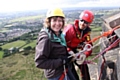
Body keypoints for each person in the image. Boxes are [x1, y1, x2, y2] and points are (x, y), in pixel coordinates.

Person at [35, 8, 77, 80]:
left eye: (60, 20)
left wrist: (68, 54)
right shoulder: (46, 39)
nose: (57, 23)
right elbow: (39, 62)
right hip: (56, 75)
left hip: (63, 69)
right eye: (54, 20)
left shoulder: (58, 34)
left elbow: (58, 50)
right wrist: (61, 61)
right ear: (49, 22)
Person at [63, 10, 94, 80]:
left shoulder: (86, 33)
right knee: (71, 71)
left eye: (85, 22)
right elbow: (61, 43)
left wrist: (85, 54)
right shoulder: (69, 29)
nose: (82, 23)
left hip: (74, 50)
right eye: (81, 20)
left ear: (89, 24)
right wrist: (69, 51)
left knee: (84, 66)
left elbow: (89, 46)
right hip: (65, 51)